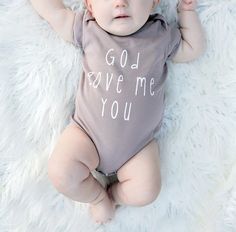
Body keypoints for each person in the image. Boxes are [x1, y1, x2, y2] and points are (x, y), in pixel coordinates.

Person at [29, 0, 206, 224]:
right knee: (60, 172)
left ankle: (114, 195)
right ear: (90, 6)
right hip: (87, 135)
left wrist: (187, 13)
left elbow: (193, 48)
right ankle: (97, 198)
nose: (121, 3)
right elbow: (55, 13)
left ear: (153, 3)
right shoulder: (88, 28)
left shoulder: (160, 36)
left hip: (137, 148)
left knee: (147, 190)